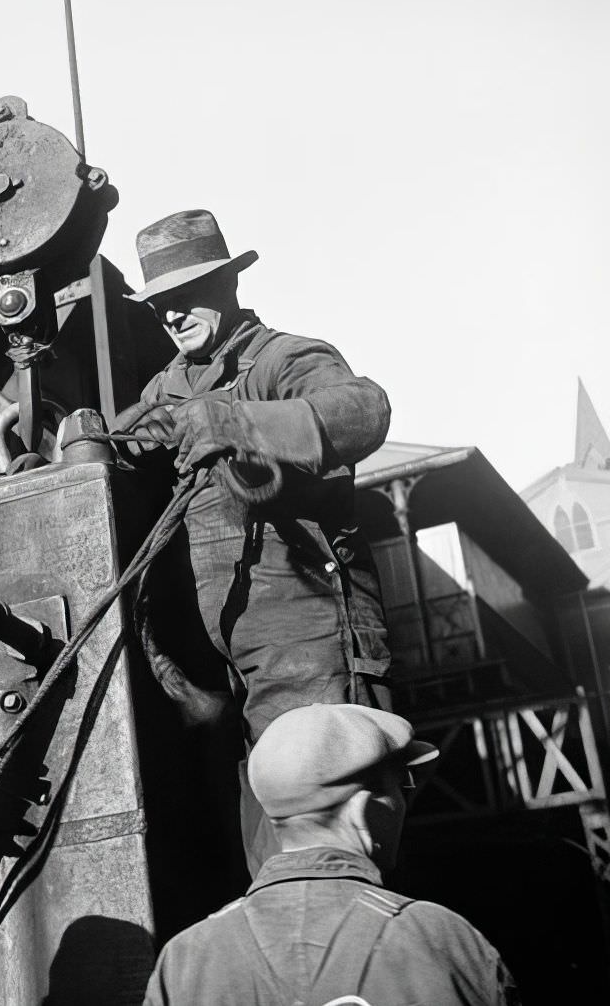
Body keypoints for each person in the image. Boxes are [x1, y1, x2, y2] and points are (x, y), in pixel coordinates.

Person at [115, 208, 392, 868]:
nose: (172, 318)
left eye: (183, 300)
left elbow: (363, 410)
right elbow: (126, 441)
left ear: (228, 286)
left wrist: (242, 421)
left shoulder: (286, 359)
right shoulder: (170, 387)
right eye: (160, 308)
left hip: (304, 629)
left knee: (323, 819)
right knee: (262, 839)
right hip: (218, 653)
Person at [143, 703, 520, 1006]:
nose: (405, 801)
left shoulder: (185, 963)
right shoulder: (437, 940)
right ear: (360, 810)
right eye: (400, 784)